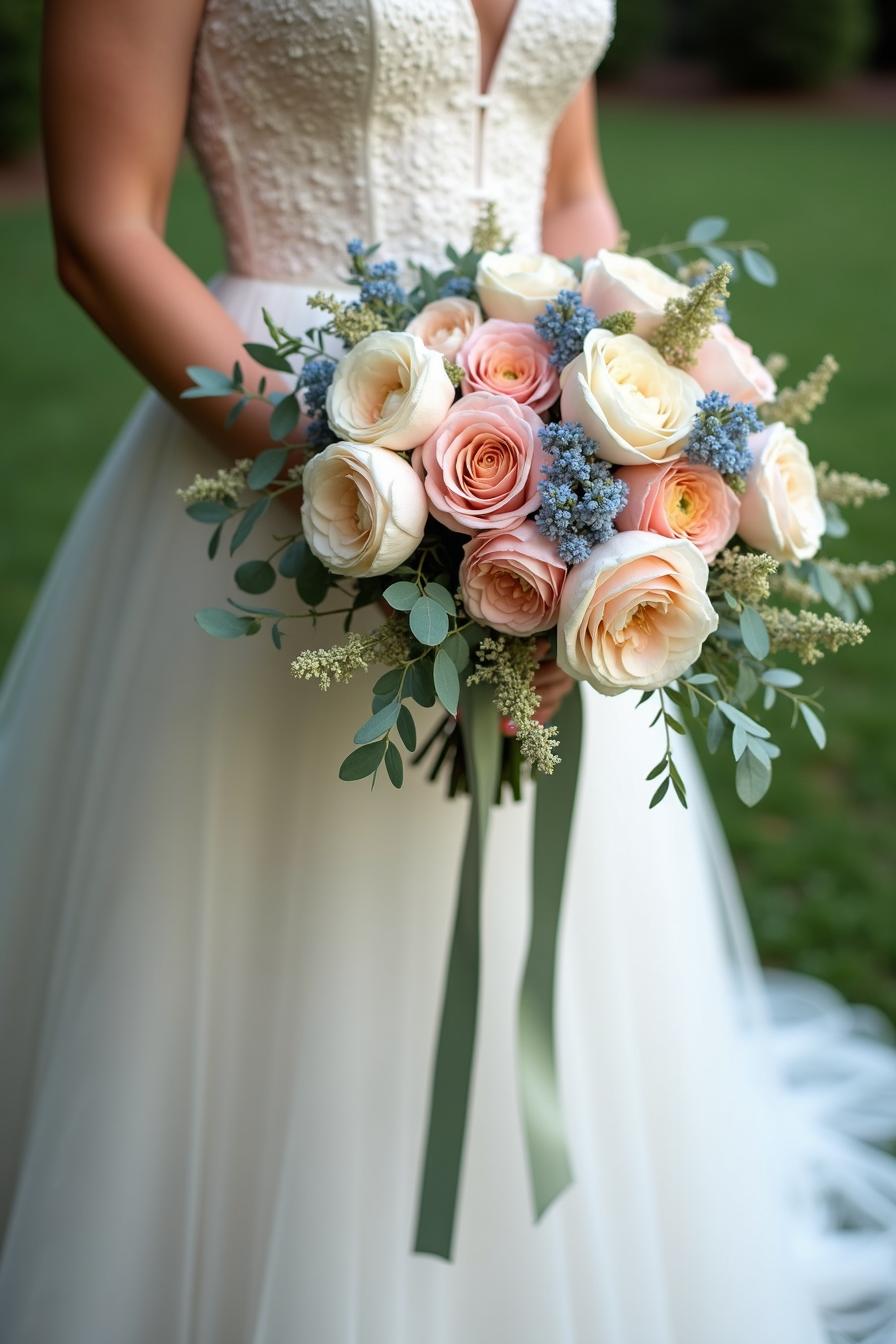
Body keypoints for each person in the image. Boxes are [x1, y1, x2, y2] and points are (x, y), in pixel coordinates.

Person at [1, 1, 894, 1340]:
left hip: (543, 425)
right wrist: (374, 497)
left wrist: (662, 431)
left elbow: (572, 193)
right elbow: (100, 233)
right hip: (282, 443)